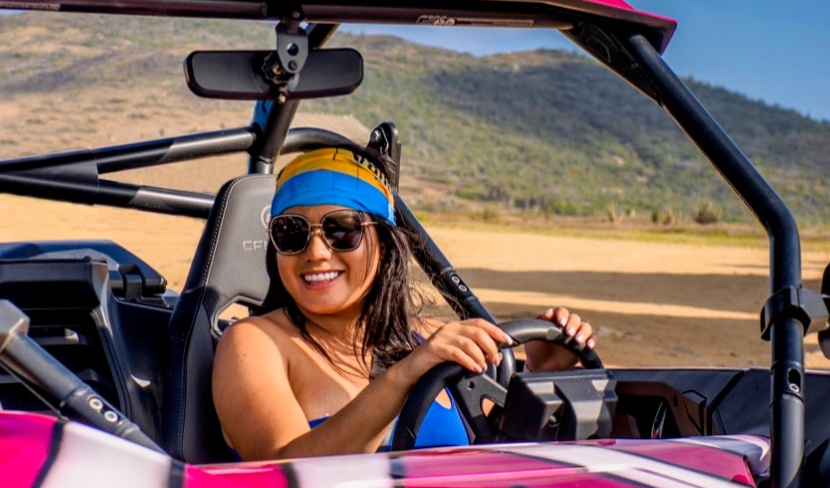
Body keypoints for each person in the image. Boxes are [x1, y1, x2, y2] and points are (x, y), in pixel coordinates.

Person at [212, 146, 597, 461]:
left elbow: (498, 453)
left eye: (341, 230)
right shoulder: (253, 343)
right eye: (291, 232)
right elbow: (283, 470)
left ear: (385, 245)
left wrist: (541, 373)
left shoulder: (428, 340)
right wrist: (403, 376)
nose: (315, 252)